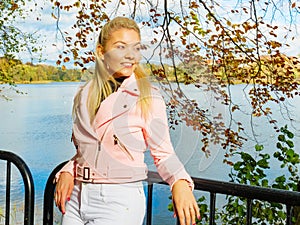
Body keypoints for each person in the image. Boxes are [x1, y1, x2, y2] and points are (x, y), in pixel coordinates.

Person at [54, 16, 200, 225]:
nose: (131, 55)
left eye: (136, 48)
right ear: (101, 51)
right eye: (121, 47)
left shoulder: (146, 97)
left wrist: (180, 182)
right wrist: (69, 170)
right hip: (76, 198)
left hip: (118, 200)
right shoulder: (85, 93)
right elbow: (87, 150)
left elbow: (164, 153)